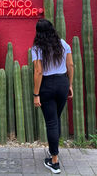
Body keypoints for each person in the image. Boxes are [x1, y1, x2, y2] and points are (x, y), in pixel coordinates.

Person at [31, 19, 74, 174]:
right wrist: (69, 84)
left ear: (38, 32)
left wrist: (36, 94)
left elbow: (38, 72)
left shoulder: (37, 47)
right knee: (55, 119)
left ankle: (54, 161)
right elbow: (70, 65)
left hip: (47, 85)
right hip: (62, 82)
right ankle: (54, 152)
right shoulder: (64, 44)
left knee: (51, 122)